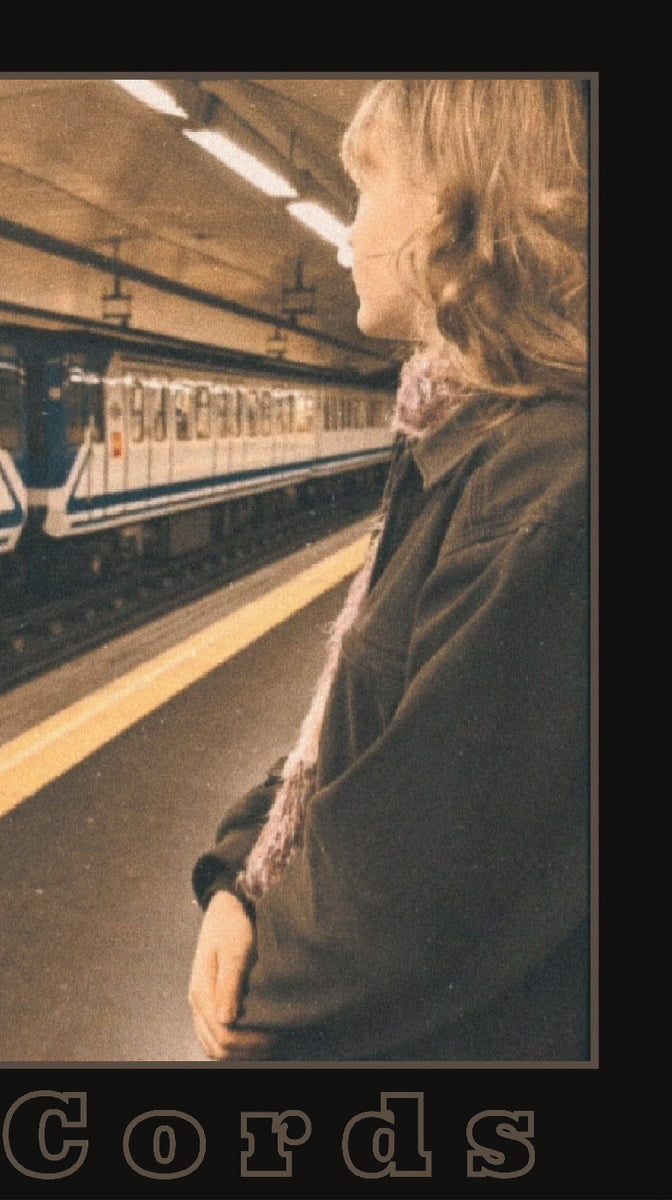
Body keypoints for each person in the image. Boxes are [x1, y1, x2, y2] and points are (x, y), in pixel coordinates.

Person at [188, 78, 590, 1061]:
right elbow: (351, 736)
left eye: (367, 190)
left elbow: (414, 874)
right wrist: (238, 878)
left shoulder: (542, 483)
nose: (346, 234)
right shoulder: (461, 442)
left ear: (453, 212)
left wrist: (255, 980)